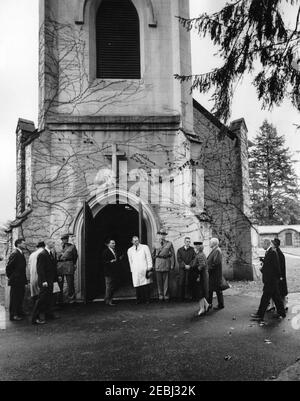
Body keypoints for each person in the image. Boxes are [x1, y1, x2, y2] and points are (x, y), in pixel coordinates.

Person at [251, 239, 286, 322]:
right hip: (272, 280)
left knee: (265, 298)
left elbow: (275, 267)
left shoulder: (272, 252)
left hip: (271, 280)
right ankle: (282, 313)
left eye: (263, 244)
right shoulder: (270, 251)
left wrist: (262, 269)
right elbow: (270, 264)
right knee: (276, 297)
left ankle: (260, 315)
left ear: (267, 244)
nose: (262, 245)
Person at [31, 239, 59, 325]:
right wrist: (43, 281)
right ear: (47, 244)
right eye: (52, 242)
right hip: (45, 281)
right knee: (41, 300)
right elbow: (40, 269)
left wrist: (56, 278)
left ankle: (49, 314)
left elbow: (52, 268)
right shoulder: (42, 254)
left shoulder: (50, 253)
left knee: (49, 298)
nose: (54, 243)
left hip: (50, 280)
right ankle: (34, 318)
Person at [6, 238, 28, 322]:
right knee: (15, 298)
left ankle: (19, 312)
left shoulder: (20, 253)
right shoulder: (15, 253)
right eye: (23, 243)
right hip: (16, 280)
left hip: (20, 280)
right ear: (18, 244)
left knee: (20, 296)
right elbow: (9, 267)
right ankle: (13, 315)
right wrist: (12, 277)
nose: (25, 245)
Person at [127, 236, 153, 304]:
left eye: (137, 240)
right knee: (137, 285)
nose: (136, 242)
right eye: (135, 241)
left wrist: (149, 267)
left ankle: (147, 299)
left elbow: (148, 257)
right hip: (135, 270)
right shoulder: (130, 250)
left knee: (145, 284)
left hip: (144, 268)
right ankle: (138, 299)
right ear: (132, 242)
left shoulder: (145, 247)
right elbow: (130, 261)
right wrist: (132, 270)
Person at [152, 230, 175, 302]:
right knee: (159, 281)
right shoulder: (155, 244)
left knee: (166, 281)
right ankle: (160, 295)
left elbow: (172, 255)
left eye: (164, 234)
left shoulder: (169, 244)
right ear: (158, 235)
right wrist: (152, 265)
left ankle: (166, 296)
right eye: (161, 234)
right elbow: (152, 255)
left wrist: (172, 264)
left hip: (166, 263)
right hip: (158, 263)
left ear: (165, 235)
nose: (162, 236)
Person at [57, 234, 78, 304]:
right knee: (60, 283)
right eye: (63, 239)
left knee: (70, 283)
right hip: (59, 265)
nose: (64, 240)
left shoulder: (72, 247)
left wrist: (74, 264)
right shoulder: (58, 247)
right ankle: (60, 299)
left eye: (65, 239)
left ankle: (71, 299)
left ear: (67, 239)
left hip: (69, 264)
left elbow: (75, 256)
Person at [190, 241, 209, 316]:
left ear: (198, 248)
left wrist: (197, 273)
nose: (194, 248)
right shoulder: (200, 254)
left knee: (199, 293)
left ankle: (202, 309)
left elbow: (202, 265)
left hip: (200, 276)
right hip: (201, 275)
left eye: (195, 247)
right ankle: (206, 305)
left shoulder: (200, 255)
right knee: (200, 292)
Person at [102, 239, 121, 306]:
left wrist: (118, 259)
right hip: (108, 272)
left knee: (112, 286)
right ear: (109, 244)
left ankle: (110, 300)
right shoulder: (105, 251)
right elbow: (103, 262)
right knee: (109, 286)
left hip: (114, 271)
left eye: (114, 243)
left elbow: (116, 259)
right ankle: (107, 301)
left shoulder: (114, 251)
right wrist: (110, 262)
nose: (114, 244)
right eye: (112, 243)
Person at [207, 238, 224, 310]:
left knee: (217, 289)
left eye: (210, 242)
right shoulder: (215, 250)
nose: (209, 243)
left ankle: (220, 305)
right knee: (212, 289)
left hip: (215, 274)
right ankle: (209, 304)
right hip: (213, 273)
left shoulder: (217, 250)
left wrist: (208, 269)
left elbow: (215, 263)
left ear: (214, 243)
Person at [177, 237, 195, 301]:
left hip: (190, 269)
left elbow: (194, 259)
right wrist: (184, 265)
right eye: (187, 241)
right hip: (182, 269)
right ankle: (181, 297)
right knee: (181, 282)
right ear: (184, 242)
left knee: (188, 282)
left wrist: (190, 265)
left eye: (189, 242)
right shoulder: (180, 250)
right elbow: (179, 259)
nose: (188, 243)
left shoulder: (192, 250)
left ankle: (188, 297)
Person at [29, 241, 45, 306]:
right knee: (42, 294)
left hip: (32, 276)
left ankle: (35, 310)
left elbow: (29, 266)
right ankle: (40, 311)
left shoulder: (32, 254)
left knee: (34, 294)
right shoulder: (44, 253)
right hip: (41, 276)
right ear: (44, 247)